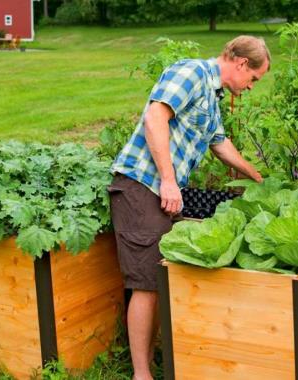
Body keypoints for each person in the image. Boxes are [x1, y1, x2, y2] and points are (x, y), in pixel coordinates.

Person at [108, 35, 270, 380]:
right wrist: (168, 180)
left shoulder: (212, 97)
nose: (252, 86)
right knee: (145, 282)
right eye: (254, 78)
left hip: (162, 191)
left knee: (158, 279)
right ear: (241, 63)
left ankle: (153, 359)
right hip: (142, 185)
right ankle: (141, 374)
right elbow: (155, 118)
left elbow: (221, 144)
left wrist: (258, 178)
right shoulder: (191, 73)